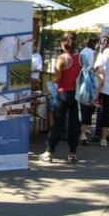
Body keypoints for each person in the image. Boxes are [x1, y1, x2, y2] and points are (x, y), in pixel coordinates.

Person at [40, 31, 81, 163]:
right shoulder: (81, 58)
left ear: (63, 43)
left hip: (63, 93)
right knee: (74, 124)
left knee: (57, 123)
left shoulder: (62, 59)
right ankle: (72, 153)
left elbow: (58, 78)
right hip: (76, 93)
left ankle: (49, 152)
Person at [79, 34, 99, 145]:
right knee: (88, 105)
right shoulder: (92, 53)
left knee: (82, 106)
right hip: (89, 81)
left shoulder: (82, 51)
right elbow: (93, 68)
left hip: (81, 80)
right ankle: (83, 132)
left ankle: (82, 129)